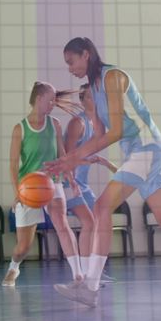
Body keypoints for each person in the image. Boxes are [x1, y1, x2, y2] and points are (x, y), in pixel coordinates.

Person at [46, 37, 161, 307]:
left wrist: (71, 159)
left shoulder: (113, 76)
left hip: (147, 148)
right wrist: (70, 160)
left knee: (101, 207)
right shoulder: (95, 91)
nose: (69, 68)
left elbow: (116, 132)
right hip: (141, 154)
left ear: (86, 55)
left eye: (71, 61)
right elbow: (99, 135)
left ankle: (90, 286)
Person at [3, 82, 83, 288]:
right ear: (38, 99)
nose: (53, 104)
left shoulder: (54, 124)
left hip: (52, 183)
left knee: (62, 225)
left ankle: (78, 275)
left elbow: (62, 155)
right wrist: (17, 193)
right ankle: (14, 267)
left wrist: (71, 180)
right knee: (23, 247)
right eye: (50, 100)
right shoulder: (20, 128)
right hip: (29, 187)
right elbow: (13, 165)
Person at [63, 84, 119, 284]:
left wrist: (106, 163)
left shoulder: (97, 124)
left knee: (97, 222)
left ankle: (92, 272)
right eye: (89, 97)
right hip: (68, 182)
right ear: (82, 100)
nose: (94, 100)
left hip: (83, 184)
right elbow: (68, 157)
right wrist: (75, 175)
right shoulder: (77, 123)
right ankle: (85, 274)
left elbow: (90, 152)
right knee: (89, 222)